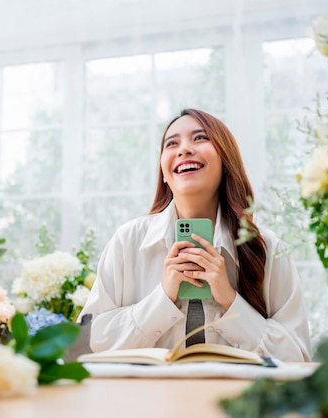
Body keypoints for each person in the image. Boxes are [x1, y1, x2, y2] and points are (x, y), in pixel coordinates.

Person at [78, 109, 312, 362]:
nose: (184, 149)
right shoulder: (128, 242)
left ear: (225, 162)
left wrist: (229, 299)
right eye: (172, 143)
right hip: (148, 400)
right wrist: (163, 297)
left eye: (200, 138)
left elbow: (297, 358)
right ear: (164, 175)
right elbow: (89, 346)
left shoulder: (266, 247)